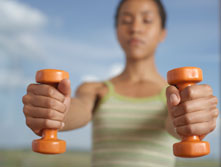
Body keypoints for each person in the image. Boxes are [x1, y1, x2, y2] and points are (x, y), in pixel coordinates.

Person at [22, 0, 219, 166]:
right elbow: (78, 109)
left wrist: (188, 120)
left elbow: (174, 123)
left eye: (147, 20)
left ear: (162, 33)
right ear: (117, 31)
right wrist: (55, 110)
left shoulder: (173, 95)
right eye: (126, 21)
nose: (135, 28)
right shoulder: (95, 89)